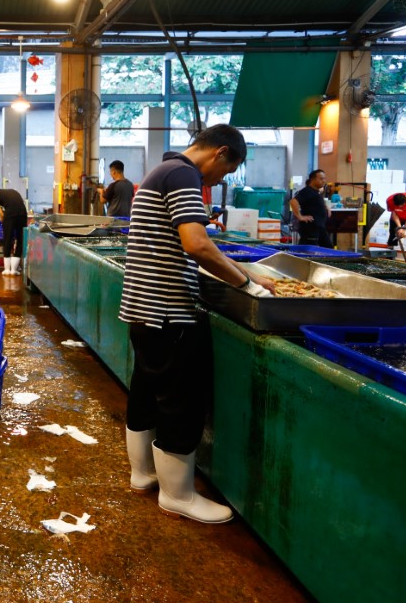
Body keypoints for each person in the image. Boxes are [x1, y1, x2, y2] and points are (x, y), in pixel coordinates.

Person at [119, 124, 275, 525]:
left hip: (144, 308)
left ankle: (143, 474)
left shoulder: (163, 171)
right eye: (225, 171)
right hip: (170, 311)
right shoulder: (184, 174)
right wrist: (246, 285)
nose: (218, 179)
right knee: (179, 401)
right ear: (220, 152)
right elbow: (196, 244)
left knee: (147, 391)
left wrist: (249, 272)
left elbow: (197, 245)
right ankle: (179, 495)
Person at [0, 186, 27, 276]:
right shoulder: (11, 191)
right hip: (23, 213)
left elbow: (0, 213)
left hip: (11, 214)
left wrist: (3, 221)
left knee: (8, 239)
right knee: (20, 240)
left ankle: (7, 270)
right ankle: (14, 270)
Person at [290, 169, 332, 247]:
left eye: (324, 178)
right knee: (309, 251)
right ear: (313, 179)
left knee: (328, 249)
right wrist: (300, 216)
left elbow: (316, 203)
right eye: (321, 178)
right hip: (310, 229)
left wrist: (326, 207)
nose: (324, 181)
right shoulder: (307, 191)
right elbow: (293, 201)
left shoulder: (316, 192)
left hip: (320, 228)